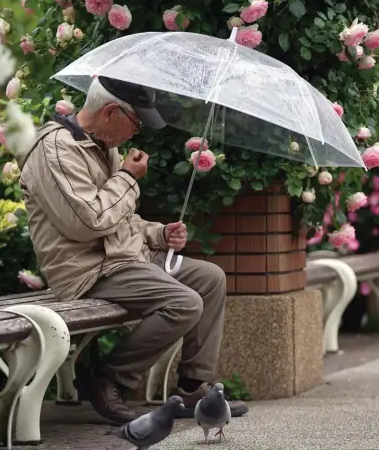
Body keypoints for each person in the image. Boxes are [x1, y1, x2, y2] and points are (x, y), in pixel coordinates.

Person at [18, 76, 248, 423]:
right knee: (183, 303)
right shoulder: (55, 149)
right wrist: (127, 178)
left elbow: (119, 220)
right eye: (135, 123)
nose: (136, 134)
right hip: (87, 269)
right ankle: (108, 378)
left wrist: (158, 233)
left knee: (210, 278)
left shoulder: (101, 146)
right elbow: (89, 223)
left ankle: (192, 387)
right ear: (112, 112)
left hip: (123, 259)